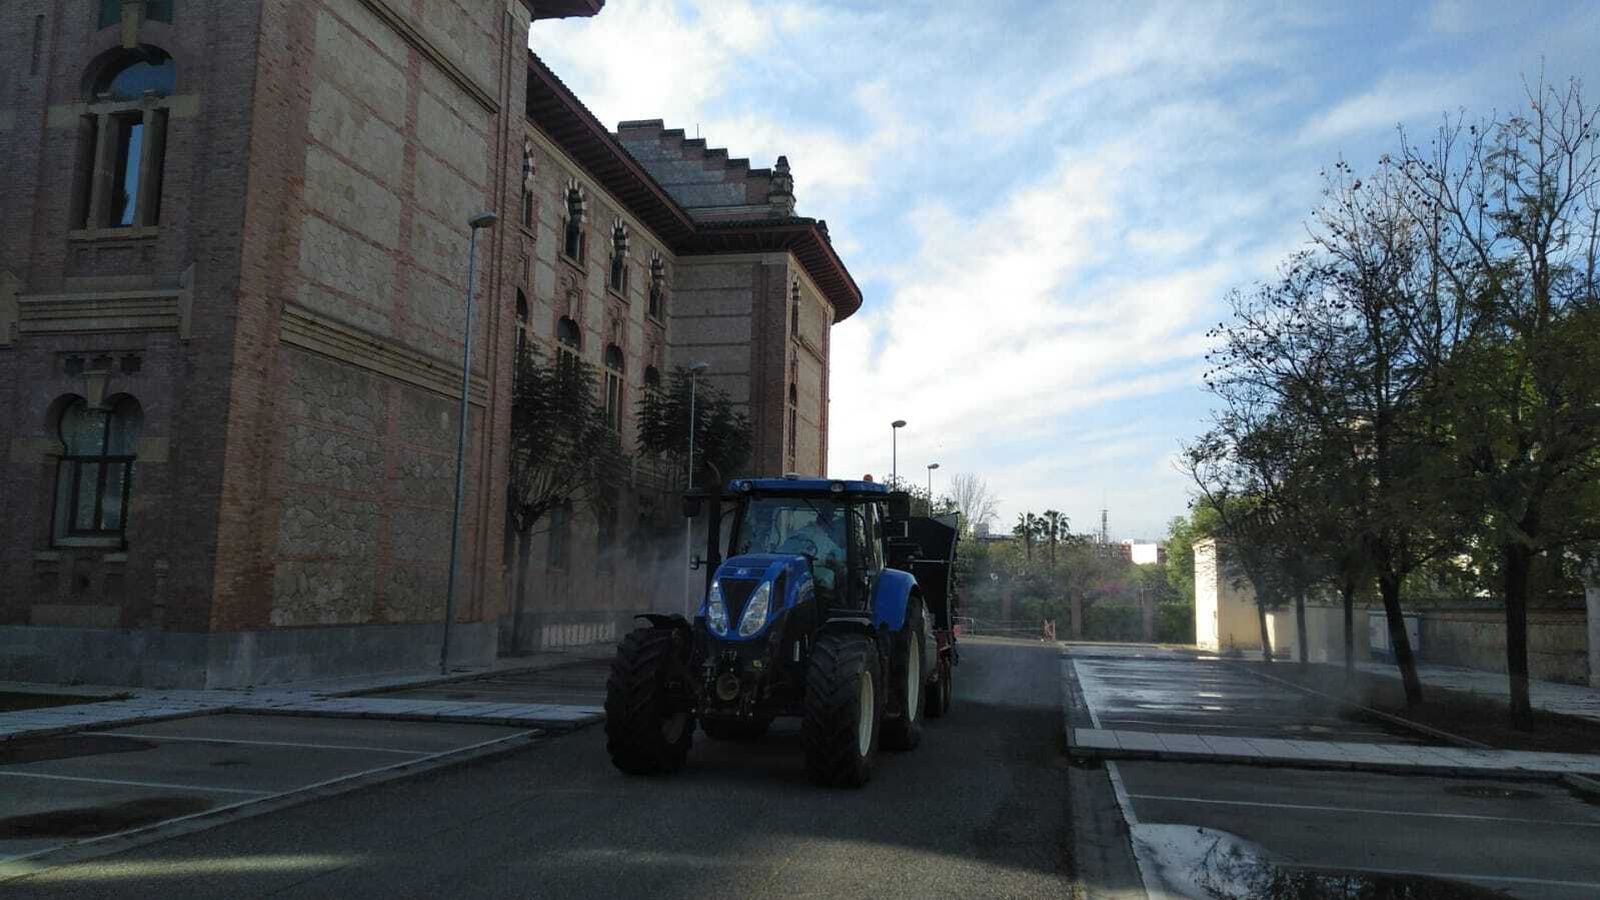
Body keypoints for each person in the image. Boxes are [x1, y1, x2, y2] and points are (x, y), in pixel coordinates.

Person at [780, 506, 846, 597]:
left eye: (830, 516)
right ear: (820, 517)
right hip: (806, 579)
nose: (829, 519)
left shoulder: (827, 540)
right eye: (827, 516)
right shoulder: (808, 535)